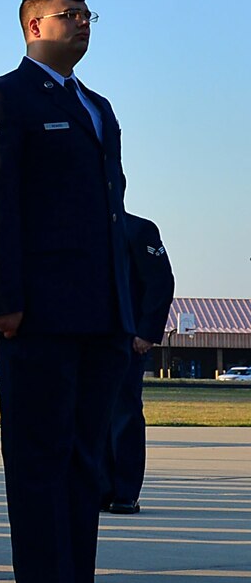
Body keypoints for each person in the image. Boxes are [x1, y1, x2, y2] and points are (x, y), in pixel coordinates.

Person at [0, 0, 137, 583]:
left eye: (88, 15)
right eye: (70, 14)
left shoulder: (96, 108)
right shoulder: (1, 99)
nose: (83, 23)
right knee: (39, 449)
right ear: (35, 23)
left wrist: (123, 307)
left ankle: (79, 582)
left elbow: (112, 213)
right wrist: (1, 297)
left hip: (99, 310)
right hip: (37, 310)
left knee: (85, 452)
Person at [104, 215, 173, 513]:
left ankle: (124, 491)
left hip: (127, 340)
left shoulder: (139, 230)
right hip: (89, 338)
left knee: (124, 414)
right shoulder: (82, 229)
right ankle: (99, 488)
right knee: (91, 418)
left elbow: (160, 281)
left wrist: (147, 331)